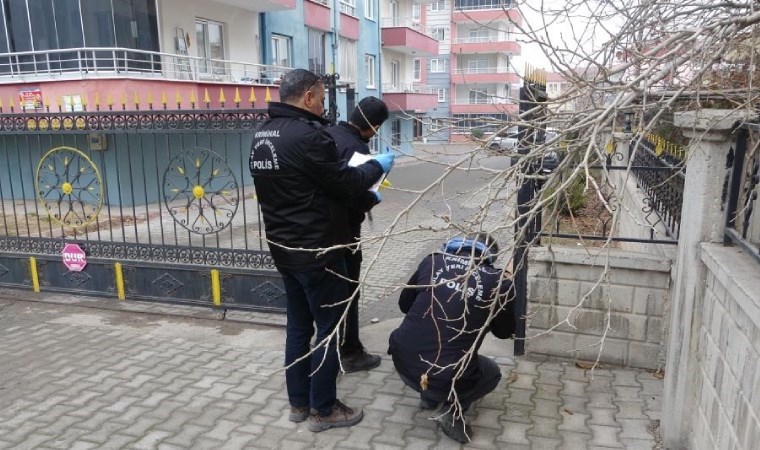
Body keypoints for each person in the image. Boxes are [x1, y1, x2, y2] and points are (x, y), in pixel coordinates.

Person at [249, 69, 395, 432]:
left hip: (284, 249)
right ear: (309, 96)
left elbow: (309, 187)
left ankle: (298, 403)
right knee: (328, 331)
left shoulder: (261, 136)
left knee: (298, 327)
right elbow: (346, 182)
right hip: (320, 252)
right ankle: (324, 409)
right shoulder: (308, 137)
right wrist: (378, 166)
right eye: (322, 96)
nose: (324, 104)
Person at [388, 233, 515, 443]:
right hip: (447, 375)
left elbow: (404, 305)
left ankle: (429, 396)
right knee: (491, 373)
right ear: (490, 257)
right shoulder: (498, 282)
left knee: (427, 345)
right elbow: (503, 332)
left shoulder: (432, 261)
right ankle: (451, 411)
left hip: (403, 361)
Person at [325, 96, 390, 373]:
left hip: (319, 231)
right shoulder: (356, 147)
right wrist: (373, 198)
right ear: (374, 126)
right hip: (345, 232)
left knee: (329, 295)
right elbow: (352, 193)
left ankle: (332, 347)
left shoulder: (328, 134)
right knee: (349, 292)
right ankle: (349, 351)